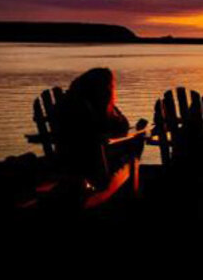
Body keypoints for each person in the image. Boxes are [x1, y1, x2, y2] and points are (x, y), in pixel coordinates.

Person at [60, 67, 142, 206]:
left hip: (68, 162)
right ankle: (128, 199)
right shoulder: (93, 111)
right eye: (111, 86)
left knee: (128, 143)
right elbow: (122, 127)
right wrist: (112, 107)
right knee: (136, 142)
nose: (112, 89)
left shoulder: (72, 104)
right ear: (103, 89)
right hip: (96, 169)